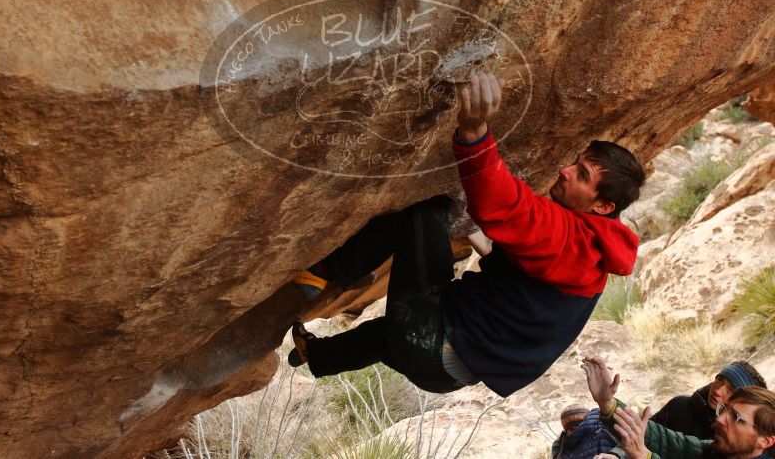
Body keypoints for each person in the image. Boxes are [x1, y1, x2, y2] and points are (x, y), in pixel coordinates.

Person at [287, 71, 647, 396]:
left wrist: (474, 132)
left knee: (427, 212)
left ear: (603, 207)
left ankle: (328, 272)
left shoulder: (576, 244)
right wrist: (488, 247)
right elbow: (530, 289)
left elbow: (506, 205)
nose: (564, 171)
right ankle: (317, 355)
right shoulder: (595, 255)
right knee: (384, 337)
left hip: (431, 344)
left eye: (582, 175)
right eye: (576, 161)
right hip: (446, 374)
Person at [582, 356, 775, 459]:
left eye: (736, 418)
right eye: (724, 411)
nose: (720, 419)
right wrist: (608, 404)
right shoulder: (718, 448)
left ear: (765, 441)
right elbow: (664, 440)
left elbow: (642, 447)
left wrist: (642, 455)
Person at [651, 362, 768, 439]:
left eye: (730, 389)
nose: (718, 391)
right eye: (720, 380)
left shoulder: (736, 440)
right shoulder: (678, 406)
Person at [551, 403, 619, 459]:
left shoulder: (605, 429)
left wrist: (615, 455)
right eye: (571, 429)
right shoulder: (560, 444)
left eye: (579, 428)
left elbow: (625, 446)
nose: (577, 432)